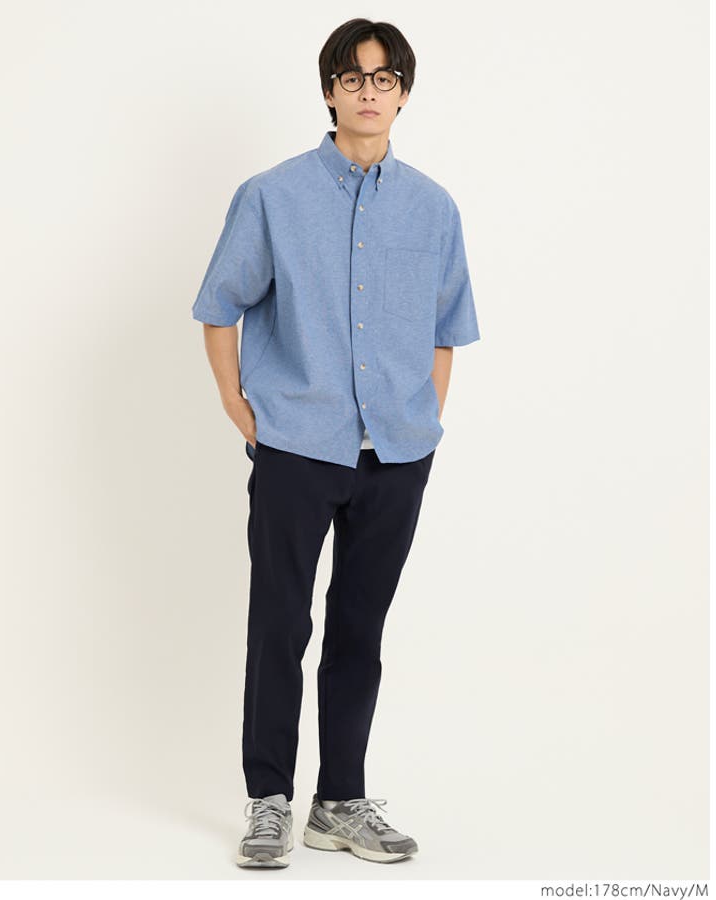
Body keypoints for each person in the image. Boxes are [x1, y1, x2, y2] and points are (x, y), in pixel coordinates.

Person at [191, 18, 480, 868]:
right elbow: (219, 305)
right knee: (279, 622)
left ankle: (340, 803)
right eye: (353, 77)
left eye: (385, 78)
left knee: (361, 628)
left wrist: (421, 423)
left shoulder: (433, 207)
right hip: (296, 446)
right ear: (329, 91)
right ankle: (269, 801)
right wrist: (237, 404)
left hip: (396, 455)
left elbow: (447, 328)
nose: (369, 91)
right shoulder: (272, 195)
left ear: (403, 93)